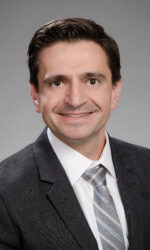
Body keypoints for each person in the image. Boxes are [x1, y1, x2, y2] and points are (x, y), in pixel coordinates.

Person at [0, 18, 149, 250]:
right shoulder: (4, 192)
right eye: (57, 83)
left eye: (92, 81)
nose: (76, 100)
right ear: (35, 96)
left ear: (115, 91)